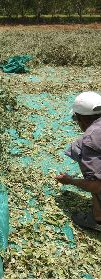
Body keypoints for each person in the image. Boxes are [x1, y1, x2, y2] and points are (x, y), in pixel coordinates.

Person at [55, 91, 101, 232]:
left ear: (82, 119)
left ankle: (97, 219)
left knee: (78, 148)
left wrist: (70, 181)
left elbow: (97, 185)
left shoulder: (90, 139)